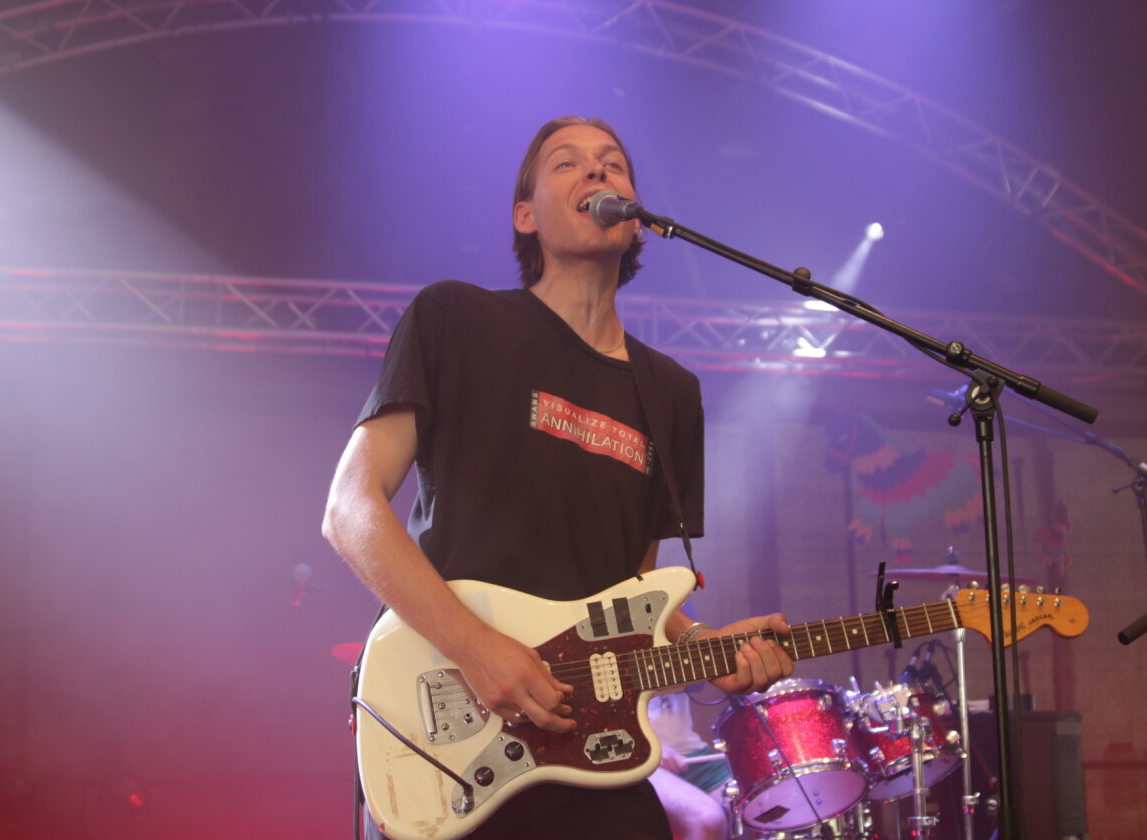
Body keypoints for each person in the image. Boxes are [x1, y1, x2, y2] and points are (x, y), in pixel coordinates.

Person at [322, 115, 794, 840]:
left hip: (592, 754)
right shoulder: (456, 318)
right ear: (525, 216)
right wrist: (476, 650)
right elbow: (350, 509)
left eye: (613, 164)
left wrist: (709, 649)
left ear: (638, 221)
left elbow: (634, 596)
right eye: (568, 164)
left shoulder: (668, 391)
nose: (597, 173)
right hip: (457, 731)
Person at [647, 691, 732, 840]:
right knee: (708, 819)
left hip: (693, 752)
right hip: (640, 761)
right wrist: (646, 749)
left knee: (752, 804)